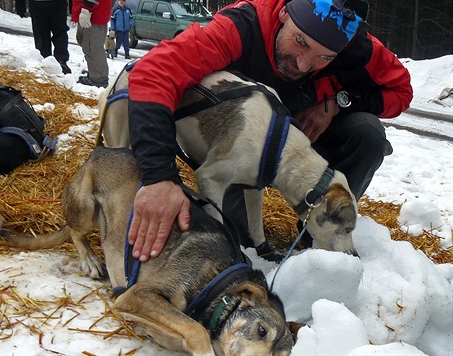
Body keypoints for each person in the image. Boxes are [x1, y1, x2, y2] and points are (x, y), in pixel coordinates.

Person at [125, 0, 413, 262]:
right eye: (300, 41)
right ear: (284, 12)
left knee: (368, 133)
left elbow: (402, 91)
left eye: (324, 58)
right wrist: (159, 178)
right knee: (238, 240)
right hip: (238, 145)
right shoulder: (241, 26)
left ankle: (323, 223)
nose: (303, 64)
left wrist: (337, 103)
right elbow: (153, 71)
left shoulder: (358, 48)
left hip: (307, 143)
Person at [72, 0, 112, 87]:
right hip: (94, 11)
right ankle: (95, 74)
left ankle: (99, 79)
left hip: (92, 13)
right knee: (89, 46)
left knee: (93, 48)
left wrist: (86, 9)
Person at [27, 0, 71, 74]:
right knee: (60, 32)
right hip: (58, 4)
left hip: (38, 4)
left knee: (41, 35)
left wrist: (20, 7)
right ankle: (61, 60)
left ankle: (46, 61)